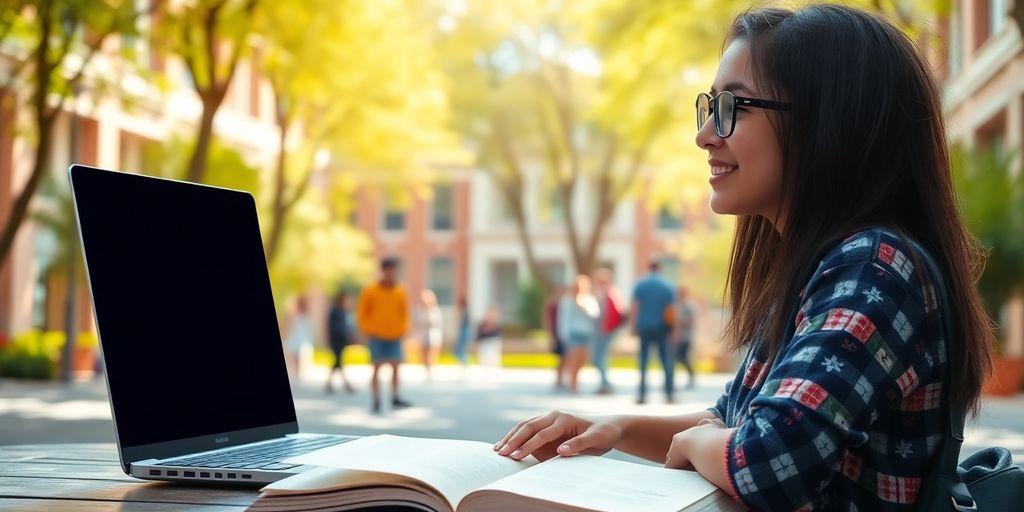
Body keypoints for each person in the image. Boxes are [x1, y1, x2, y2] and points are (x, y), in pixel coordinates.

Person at [493, 5, 993, 511]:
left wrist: (695, 445)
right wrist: (612, 427)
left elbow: (768, 462)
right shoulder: (820, 267)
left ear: (829, 120)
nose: (705, 134)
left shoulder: (874, 266)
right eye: (709, 106)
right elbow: (734, 423)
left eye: (733, 106)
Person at [356, 258, 412, 413]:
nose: (390, 274)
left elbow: (405, 313)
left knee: (396, 366)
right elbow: (362, 312)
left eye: (392, 271)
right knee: (376, 367)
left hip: (395, 335)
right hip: (377, 335)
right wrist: (368, 329)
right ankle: (376, 399)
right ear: (383, 271)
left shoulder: (400, 291)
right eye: (387, 270)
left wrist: (403, 329)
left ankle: (395, 396)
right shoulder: (371, 290)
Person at [630, 261, 676, 404]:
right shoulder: (667, 286)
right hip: (662, 327)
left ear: (649, 267)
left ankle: (642, 395)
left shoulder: (640, 284)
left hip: (644, 326)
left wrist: (633, 325)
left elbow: (635, 306)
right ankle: (669, 394)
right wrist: (673, 329)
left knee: (643, 361)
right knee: (666, 361)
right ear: (659, 268)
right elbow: (671, 309)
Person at [557, 274, 600, 394]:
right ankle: (573, 385)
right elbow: (563, 319)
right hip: (573, 334)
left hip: (586, 334)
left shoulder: (589, 299)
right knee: (573, 360)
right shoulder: (567, 300)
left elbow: (595, 315)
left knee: (582, 360)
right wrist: (563, 335)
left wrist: (582, 306)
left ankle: (577, 381)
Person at [592, 267, 625, 395]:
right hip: (605, 329)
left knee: (598, 356)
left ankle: (605, 384)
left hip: (605, 330)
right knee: (600, 356)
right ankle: (604, 383)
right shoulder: (612, 292)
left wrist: (605, 327)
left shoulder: (607, 293)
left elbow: (607, 314)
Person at [325, 292, 355, 394]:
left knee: (338, 362)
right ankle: (346, 385)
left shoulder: (343, 312)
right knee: (338, 361)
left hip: (342, 340)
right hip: (336, 340)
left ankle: (330, 384)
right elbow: (333, 327)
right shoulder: (334, 312)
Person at [669, 286, 697, 390]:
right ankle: (673, 381)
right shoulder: (677, 305)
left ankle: (691, 378)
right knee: (678, 358)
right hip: (678, 338)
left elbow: (690, 320)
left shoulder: (689, 306)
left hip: (686, 337)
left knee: (683, 358)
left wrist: (679, 323)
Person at [413, 289, 444, 381]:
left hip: (433, 335)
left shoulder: (435, 310)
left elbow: (437, 323)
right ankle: (426, 370)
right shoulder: (418, 310)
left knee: (431, 353)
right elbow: (416, 323)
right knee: (423, 353)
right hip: (422, 335)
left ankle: (430, 371)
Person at [282, 295, 313, 381]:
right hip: (295, 338)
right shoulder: (292, 315)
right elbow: (288, 327)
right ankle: (295, 374)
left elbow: (308, 328)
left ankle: (297, 375)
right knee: (293, 357)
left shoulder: (305, 315)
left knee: (300, 357)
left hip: (301, 338)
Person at [541, 286, 567, 389]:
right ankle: (559, 378)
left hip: (563, 332)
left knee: (565, 357)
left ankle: (561, 377)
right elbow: (547, 320)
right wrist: (550, 336)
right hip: (556, 333)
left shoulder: (564, 304)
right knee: (561, 357)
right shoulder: (552, 304)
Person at [475, 305, 503, 378]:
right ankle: (484, 374)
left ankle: (493, 374)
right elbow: (479, 335)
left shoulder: (496, 324)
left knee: (493, 359)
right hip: (484, 344)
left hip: (492, 344)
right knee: (484, 360)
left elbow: (497, 336)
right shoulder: (482, 324)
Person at [452, 296, 472, 372]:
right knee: (461, 349)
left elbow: (460, 323)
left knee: (460, 349)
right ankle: (464, 362)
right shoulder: (465, 312)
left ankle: (465, 362)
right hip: (465, 332)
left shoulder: (464, 312)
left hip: (463, 332)